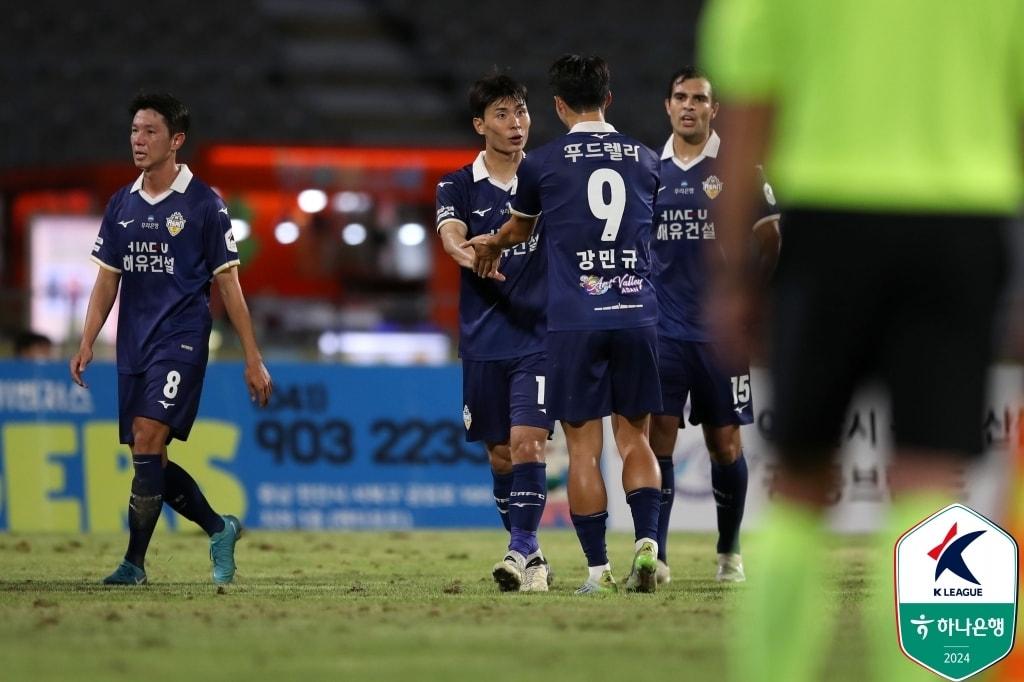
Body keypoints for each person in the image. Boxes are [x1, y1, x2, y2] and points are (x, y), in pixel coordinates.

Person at [699, 1, 1020, 680]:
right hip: (964, 222)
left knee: (803, 478)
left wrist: (732, 274)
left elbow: (751, 110)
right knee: (931, 479)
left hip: (829, 220)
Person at [464, 54, 664, 594]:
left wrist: (489, 243)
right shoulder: (647, 159)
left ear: (557, 105)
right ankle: (647, 543)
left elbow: (515, 230)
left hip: (575, 320)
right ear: (609, 99)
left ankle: (597, 571)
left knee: (581, 449)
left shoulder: (543, 165)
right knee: (635, 440)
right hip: (636, 312)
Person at [70, 91, 273, 586]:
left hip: (182, 338)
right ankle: (218, 527)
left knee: (147, 436)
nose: (139, 141)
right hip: (134, 344)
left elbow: (229, 284)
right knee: (151, 458)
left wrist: (252, 357)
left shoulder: (205, 205)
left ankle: (133, 564)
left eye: (150, 132)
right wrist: (86, 339)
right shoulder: (122, 203)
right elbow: (107, 281)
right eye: (135, 131)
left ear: (176, 140)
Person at [648, 67, 780, 585]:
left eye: (699, 99)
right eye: (680, 97)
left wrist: (749, 297)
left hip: (719, 333)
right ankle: (654, 554)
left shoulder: (739, 166)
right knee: (659, 438)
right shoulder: (648, 170)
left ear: (713, 109)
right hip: (661, 330)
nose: (688, 106)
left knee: (724, 443)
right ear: (667, 106)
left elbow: (772, 239)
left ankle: (729, 551)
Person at [436, 72, 554, 593]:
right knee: (500, 455)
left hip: (540, 336)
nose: (516, 123)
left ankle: (518, 549)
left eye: (522, 112)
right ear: (480, 124)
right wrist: (476, 254)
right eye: (503, 114)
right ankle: (534, 560)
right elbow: (451, 238)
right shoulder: (457, 184)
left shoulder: (547, 177)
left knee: (528, 445)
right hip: (484, 339)